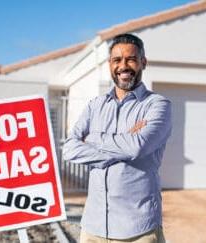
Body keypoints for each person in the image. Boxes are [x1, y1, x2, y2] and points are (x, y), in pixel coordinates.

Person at [63, 33, 171, 243]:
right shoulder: (96, 105)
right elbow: (69, 149)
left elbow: (137, 147)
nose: (123, 66)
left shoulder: (157, 105)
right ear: (109, 65)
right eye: (117, 60)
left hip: (137, 231)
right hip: (93, 228)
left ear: (143, 62)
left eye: (130, 59)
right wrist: (124, 142)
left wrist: (92, 139)